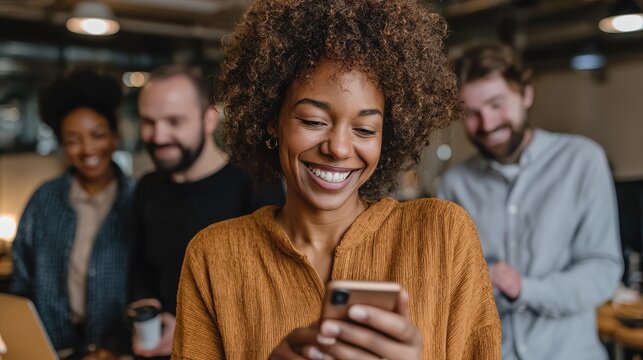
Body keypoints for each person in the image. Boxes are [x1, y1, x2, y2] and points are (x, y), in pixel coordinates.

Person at [171, 0, 502, 359]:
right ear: (272, 120)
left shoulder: (443, 235)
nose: (339, 148)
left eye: (364, 129)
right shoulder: (214, 256)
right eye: (314, 121)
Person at [438, 43, 622, 359]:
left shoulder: (582, 160)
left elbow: (602, 270)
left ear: (526, 95)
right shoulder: (454, 185)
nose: (487, 124)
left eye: (497, 105)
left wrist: (523, 288)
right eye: (471, 114)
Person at [128, 65, 284, 359]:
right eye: (149, 122)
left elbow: (267, 292)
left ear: (209, 119)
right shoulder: (147, 188)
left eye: (174, 121)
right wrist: (149, 316)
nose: (159, 135)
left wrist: (190, 329)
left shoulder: (255, 185)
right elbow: (140, 270)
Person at [10, 69, 134, 359]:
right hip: (52, 348)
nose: (88, 148)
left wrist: (116, 346)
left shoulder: (138, 200)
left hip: (118, 353)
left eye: (98, 135)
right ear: (63, 145)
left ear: (114, 136)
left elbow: (149, 286)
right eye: (73, 139)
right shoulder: (44, 200)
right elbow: (21, 277)